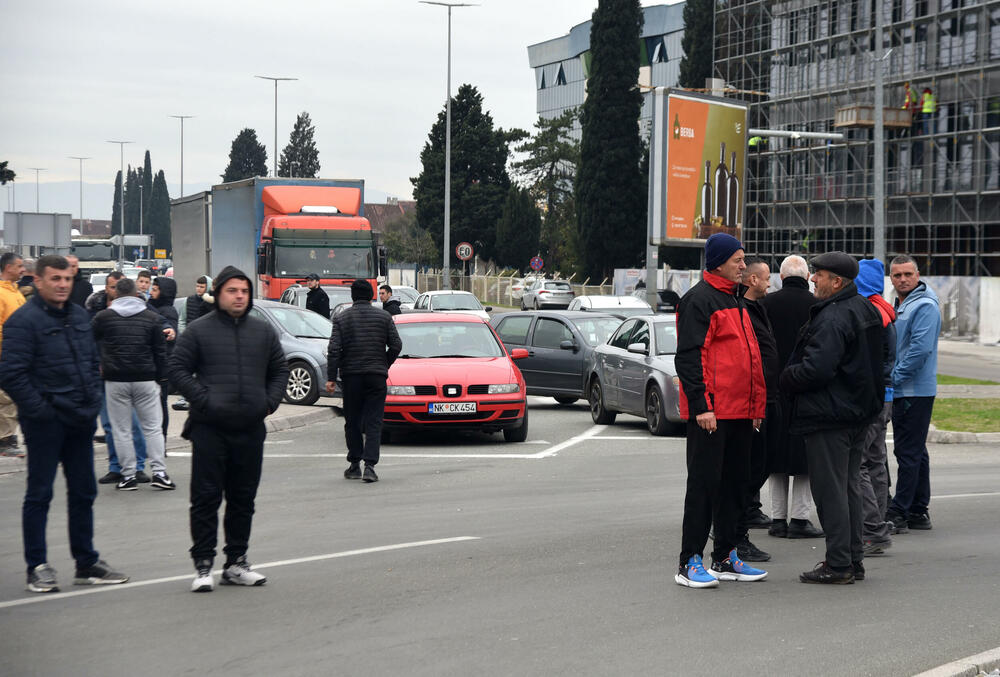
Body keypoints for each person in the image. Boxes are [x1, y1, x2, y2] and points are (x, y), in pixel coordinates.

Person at [0, 254, 129, 593]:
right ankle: (37, 566)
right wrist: (40, 411)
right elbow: (11, 374)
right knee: (39, 494)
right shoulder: (22, 321)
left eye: (66, 279)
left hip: (80, 420)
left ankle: (86, 563)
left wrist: (92, 402)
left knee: (84, 491)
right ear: (38, 280)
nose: (62, 285)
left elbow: (90, 362)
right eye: (55, 279)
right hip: (44, 423)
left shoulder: (79, 316)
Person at [168, 266, 288, 593]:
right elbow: (177, 369)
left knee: (242, 498)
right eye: (232, 291)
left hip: (250, 429)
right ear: (218, 293)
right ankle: (203, 564)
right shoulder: (198, 331)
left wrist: (269, 403)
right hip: (210, 429)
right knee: (206, 498)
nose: (239, 296)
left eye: (244, 291)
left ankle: (236, 562)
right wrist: (203, 400)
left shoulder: (262, 332)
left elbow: (280, 370)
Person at [780, 252, 884, 585]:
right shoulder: (865, 308)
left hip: (830, 415)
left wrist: (785, 377)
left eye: (819, 274)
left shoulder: (834, 316)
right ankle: (853, 559)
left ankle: (839, 563)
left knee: (830, 492)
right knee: (849, 486)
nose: (812, 278)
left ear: (836, 282)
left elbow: (817, 369)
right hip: (857, 414)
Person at [674, 233, 767, 589]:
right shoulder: (698, 301)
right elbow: (690, 357)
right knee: (704, 486)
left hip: (741, 413)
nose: (744, 265)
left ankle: (726, 557)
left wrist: (756, 406)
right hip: (712, 413)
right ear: (718, 262)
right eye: (738, 260)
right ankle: (689, 562)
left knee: (734, 486)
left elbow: (750, 360)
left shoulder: (737, 301)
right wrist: (701, 405)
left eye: (743, 260)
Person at [759, 255, 824, 539]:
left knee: (776, 456)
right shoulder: (818, 306)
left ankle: (777, 519)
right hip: (806, 389)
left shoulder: (765, 304)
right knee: (804, 458)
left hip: (773, 388)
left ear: (781, 278)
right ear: (808, 276)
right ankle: (800, 518)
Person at [92, 277, 173, 491]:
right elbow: (160, 351)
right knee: (153, 428)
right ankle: (159, 473)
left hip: (115, 380)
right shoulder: (152, 318)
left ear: (116, 294)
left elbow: (90, 343)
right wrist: (162, 378)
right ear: (137, 293)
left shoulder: (103, 317)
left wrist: (100, 365)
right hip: (146, 379)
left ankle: (128, 476)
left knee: (121, 430)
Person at [325, 279, 402, 483]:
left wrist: (331, 378)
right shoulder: (384, 317)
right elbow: (396, 345)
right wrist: (383, 364)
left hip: (351, 377)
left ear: (352, 296)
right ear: (371, 296)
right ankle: (370, 467)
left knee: (352, 421)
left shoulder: (341, 319)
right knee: (374, 421)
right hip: (376, 376)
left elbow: (333, 350)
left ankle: (354, 465)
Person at [886, 255, 941, 533]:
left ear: (918, 275)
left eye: (908, 274)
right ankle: (919, 510)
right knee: (917, 451)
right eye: (897, 275)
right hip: (908, 388)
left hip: (912, 390)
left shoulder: (925, 305)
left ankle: (899, 511)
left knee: (907, 452)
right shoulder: (902, 302)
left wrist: (892, 380)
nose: (903, 279)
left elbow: (919, 350)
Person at [734, 257, 778, 563]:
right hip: (752, 401)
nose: (769, 283)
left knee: (763, 461)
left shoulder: (759, 307)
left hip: (767, 396)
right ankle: (734, 531)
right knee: (749, 465)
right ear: (752, 281)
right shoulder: (740, 310)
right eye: (766, 278)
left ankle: (743, 514)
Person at [855, 259, 896, 555]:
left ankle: (873, 529)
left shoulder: (868, 313)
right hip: (887, 395)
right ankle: (879, 521)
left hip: (872, 395)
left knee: (858, 464)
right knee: (876, 459)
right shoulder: (884, 309)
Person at [172, 275, 213, 412]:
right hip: (191, 342)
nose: (199, 289)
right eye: (197, 286)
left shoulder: (212, 302)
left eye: (202, 286)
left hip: (207, 344)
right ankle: (185, 398)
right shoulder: (189, 301)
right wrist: (185, 334)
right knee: (188, 370)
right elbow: (182, 320)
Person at [0, 252, 26, 457]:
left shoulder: (15, 292)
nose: (23, 269)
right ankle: (6, 440)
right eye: (19, 266)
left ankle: (8, 438)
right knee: (7, 398)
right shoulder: (1, 293)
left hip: (16, 355)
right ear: (8, 268)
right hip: (4, 355)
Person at [148, 277, 179, 442]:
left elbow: (169, 337)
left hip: (163, 364)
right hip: (157, 363)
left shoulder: (167, 311)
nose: (151, 292)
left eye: (155, 289)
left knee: (160, 405)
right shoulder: (155, 307)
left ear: (164, 292)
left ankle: (162, 440)